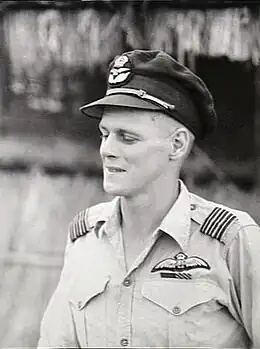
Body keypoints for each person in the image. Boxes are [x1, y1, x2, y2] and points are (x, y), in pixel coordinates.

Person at [37, 49, 260, 348]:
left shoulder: (231, 240)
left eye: (127, 137)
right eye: (105, 134)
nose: (107, 149)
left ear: (177, 145)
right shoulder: (85, 238)